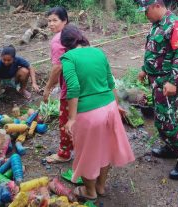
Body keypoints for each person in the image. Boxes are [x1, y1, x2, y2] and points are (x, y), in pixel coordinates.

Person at [60, 25, 135, 202]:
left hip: (89, 114)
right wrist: (116, 107)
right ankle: (101, 186)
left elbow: (73, 88)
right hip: (109, 107)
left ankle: (90, 191)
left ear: (65, 44)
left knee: (86, 154)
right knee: (104, 149)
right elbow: (110, 82)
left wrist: (71, 118)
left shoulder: (68, 57)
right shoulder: (99, 52)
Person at [137, 0, 178, 180]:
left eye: (146, 10)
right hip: (157, 81)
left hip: (167, 82)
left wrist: (174, 81)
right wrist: (145, 69)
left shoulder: (174, 25)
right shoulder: (156, 25)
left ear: (157, 5)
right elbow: (155, 51)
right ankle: (170, 148)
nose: (145, 14)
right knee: (161, 120)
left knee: (167, 122)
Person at [43, 7, 72, 163]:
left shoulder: (57, 40)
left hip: (71, 86)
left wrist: (47, 88)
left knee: (66, 120)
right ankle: (77, 145)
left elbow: (57, 67)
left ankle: (64, 153)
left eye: (55, 20)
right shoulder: (75, 34)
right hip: (86, 83)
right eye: (49, 20)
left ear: (64, 20)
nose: (51, 24)